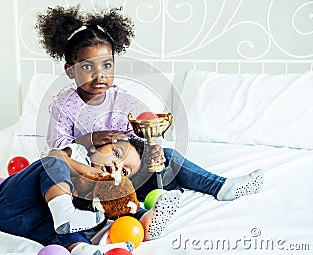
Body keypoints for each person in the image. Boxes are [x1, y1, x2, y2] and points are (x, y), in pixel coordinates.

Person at [35, 6, 264, 202]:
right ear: (69, 70)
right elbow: (56, 150)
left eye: (106, 65)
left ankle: (221, 187)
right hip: (88, 176)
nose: (99, 75)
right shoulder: (64, 105)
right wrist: (91, 139)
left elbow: (133, 138)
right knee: (78, 186)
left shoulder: (120, 99)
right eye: (87, 67)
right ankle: (139, 208)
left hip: (125, 171)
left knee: (169, 157)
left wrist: (150, 149)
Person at [0, 139, 182, 255]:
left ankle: (144, 220)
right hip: (14, 202)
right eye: (116, 153)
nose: (116, 165)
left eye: (124, 170)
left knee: (114, 206)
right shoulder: (79, 154)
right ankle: (65, 210)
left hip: (32, 225)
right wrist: (89, 171)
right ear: (96, 148)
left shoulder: (97, 195)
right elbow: (55, 155)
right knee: (52, 163)